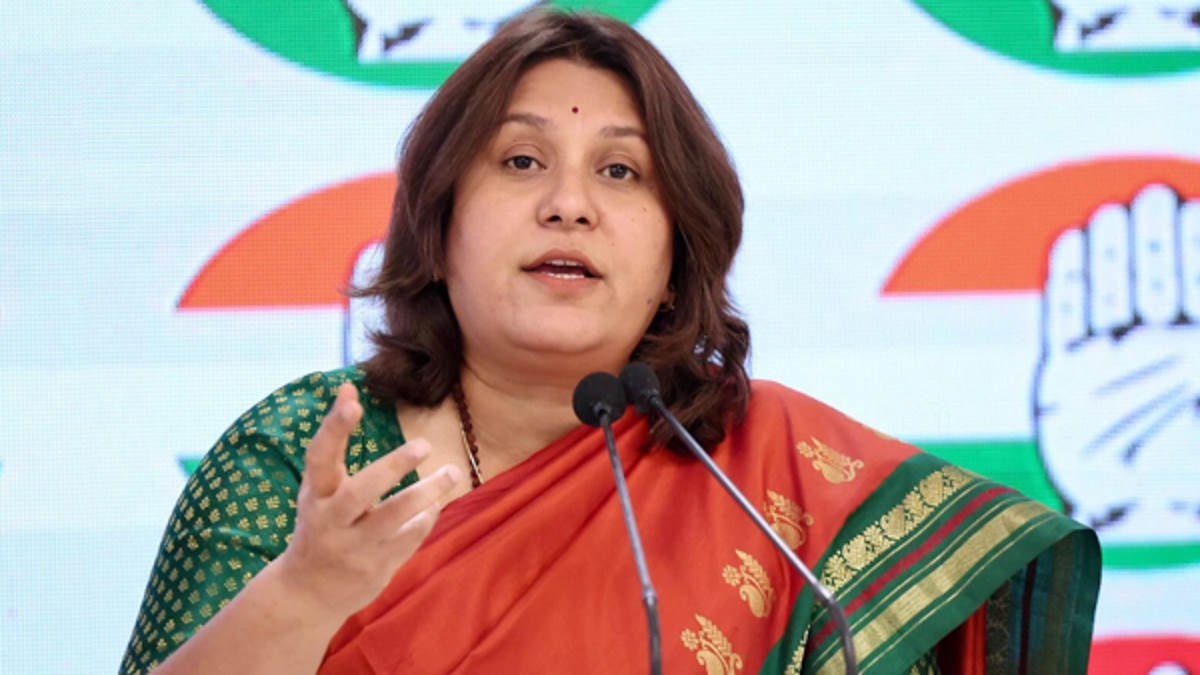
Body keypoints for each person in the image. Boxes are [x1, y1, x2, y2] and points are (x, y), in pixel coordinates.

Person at [121, 8, 1100, 674]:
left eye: (622, 172)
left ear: (676, 256)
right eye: (520, 160)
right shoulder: (302, 457)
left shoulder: (774, 492)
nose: (569, 204)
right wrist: (306, 592)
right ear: (438, 228)